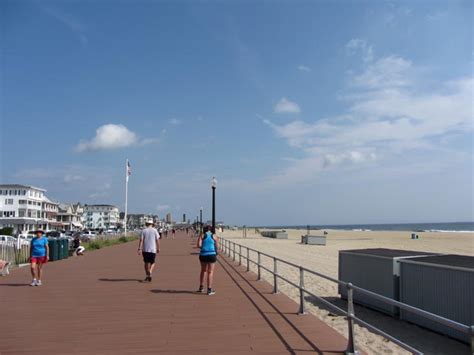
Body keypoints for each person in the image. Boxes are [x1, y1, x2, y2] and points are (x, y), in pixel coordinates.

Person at [196, 225, 219, 295]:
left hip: (203, 254)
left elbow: (198, 245)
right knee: (210, 272)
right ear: (211, 230)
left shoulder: (202, 235)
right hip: (212, 254)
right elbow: (217, 246)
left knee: (203, 271)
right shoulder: (214, 236)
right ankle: (209, 290)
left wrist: (204, 246)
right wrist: (215, 251)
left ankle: (201, 287)